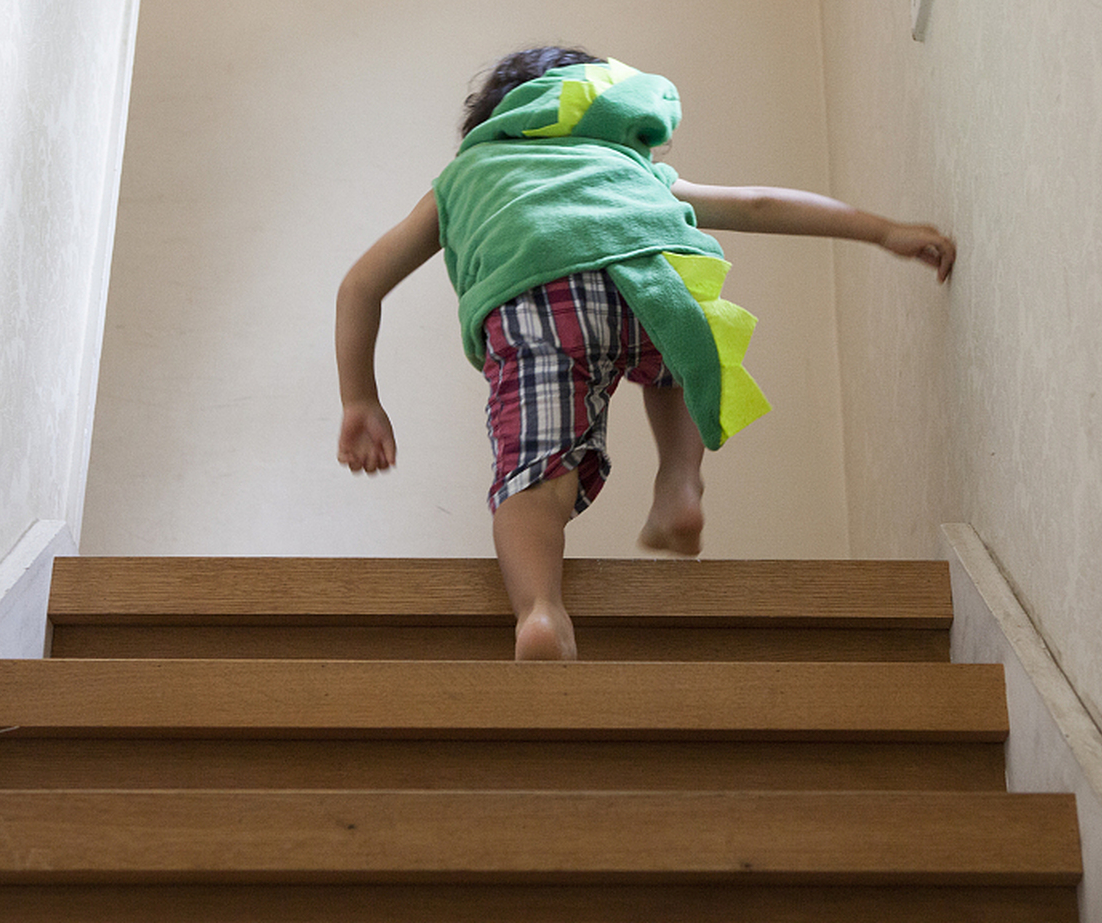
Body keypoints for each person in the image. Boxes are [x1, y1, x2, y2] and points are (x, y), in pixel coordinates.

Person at [335, 47, 955, 661]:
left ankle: (541, 613)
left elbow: (361, 284)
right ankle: (680, 485)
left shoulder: (464, 177)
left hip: (538, 308)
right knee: (675, 352)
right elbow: (758, 203)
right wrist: (884, 232)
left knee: (537, 481)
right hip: (654, 280)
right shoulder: (626, 165)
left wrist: (360, 398)